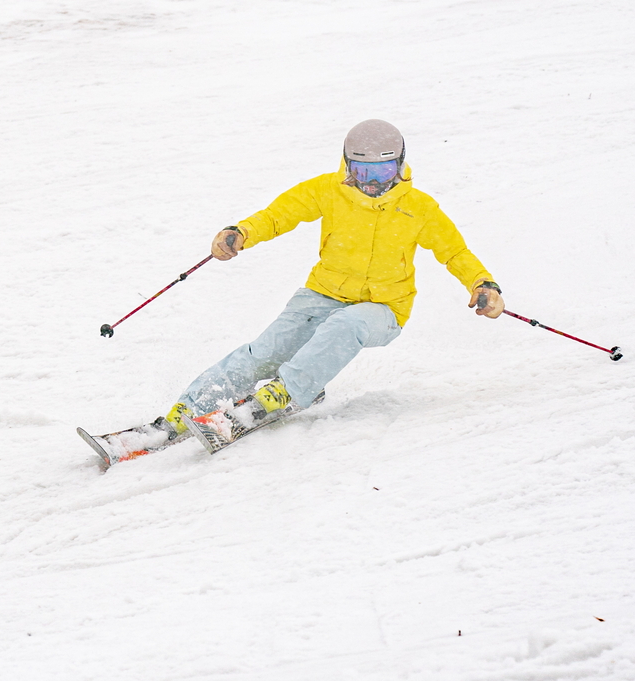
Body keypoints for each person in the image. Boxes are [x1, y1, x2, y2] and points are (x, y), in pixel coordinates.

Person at [91, 119, 503, 462]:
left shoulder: (420, 208)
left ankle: (282, 395)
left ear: (399, 166)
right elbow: (279, 215)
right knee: (267, 349)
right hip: (321, 294)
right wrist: (240, 233)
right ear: (346, 166)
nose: (371, 184)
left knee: (344, 326)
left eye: (380, 173)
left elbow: (455, 253)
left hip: (383, 309)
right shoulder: (328, 190)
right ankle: (186, 412)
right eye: (361, 173)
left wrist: (483, 285)